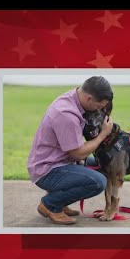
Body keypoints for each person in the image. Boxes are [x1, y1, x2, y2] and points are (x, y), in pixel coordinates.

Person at [27, 76, 114, 225]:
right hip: (48, 169)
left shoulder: (74, 97)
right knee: (98, 182)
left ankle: (60, 201)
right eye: (99, 106)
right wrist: (103, 135)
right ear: (89, 99)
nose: (99, 110)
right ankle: (51, 204)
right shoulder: (66, 114)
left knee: (103, 165)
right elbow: (78, 153)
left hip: (60, 160)